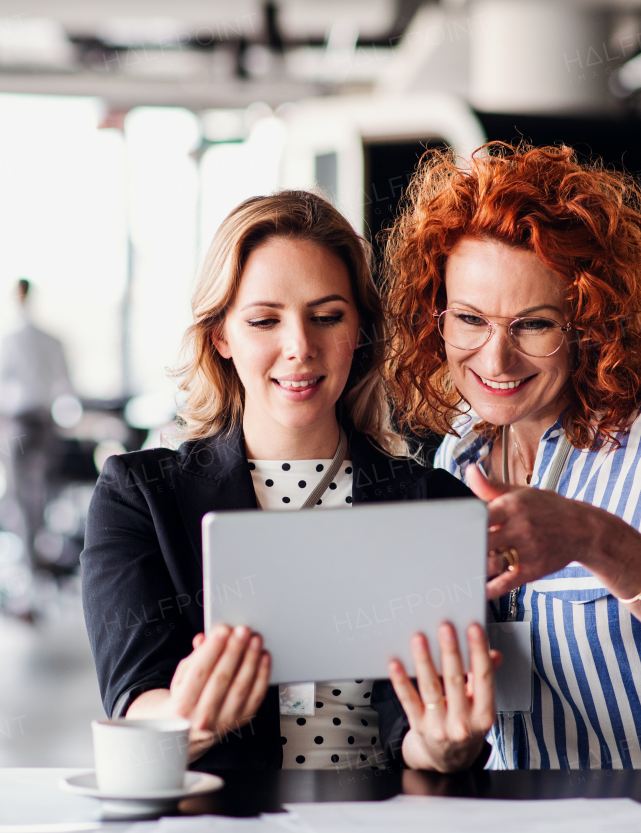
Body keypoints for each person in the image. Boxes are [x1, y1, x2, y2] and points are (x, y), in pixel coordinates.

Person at [382, 143, 641, 769]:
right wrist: (442, 741)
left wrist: (593, 540)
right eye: (469, 319)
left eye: (533, 325)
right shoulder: (454, 461)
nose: (495, 360)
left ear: (589, 323)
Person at [81, 191, 498, 774]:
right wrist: (188, 716)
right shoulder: (141, 498)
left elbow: (422, 725)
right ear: (221, 336)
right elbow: (134, 699)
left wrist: (442, 745)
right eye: (264, 320)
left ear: (360, 332)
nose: (300, 347)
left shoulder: (434, 502)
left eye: (327, 316)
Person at [0, 278, 75, 572]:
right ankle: (38, 552)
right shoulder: (51, 340)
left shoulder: (12, 339)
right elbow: (66, 386)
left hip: (20, 423)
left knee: (20, 493)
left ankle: (30, 557)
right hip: (45, 421)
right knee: (42, 489)